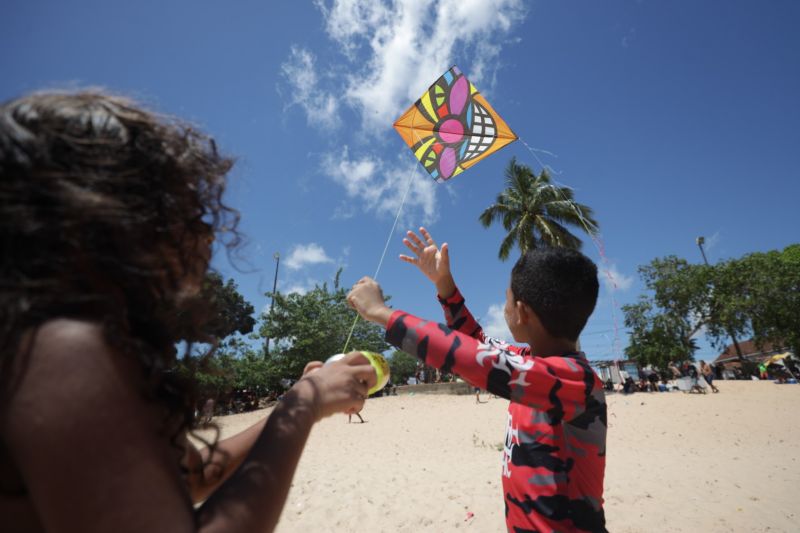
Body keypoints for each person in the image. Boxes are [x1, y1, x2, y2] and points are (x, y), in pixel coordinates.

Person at [0, 90, 378, 532]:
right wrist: (305, 402)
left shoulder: (60, 340)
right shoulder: (61, 349)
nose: (207, 230)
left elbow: (194, 476)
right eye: (182, 208)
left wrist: (295, 403)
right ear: (107, 214)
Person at [347, 227, 607, 532]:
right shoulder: (530, 363)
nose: (505, 307)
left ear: (521, 312)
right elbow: (476, 341)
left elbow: (471, 357)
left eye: (507, 299)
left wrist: (380, 312)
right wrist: (444, 284)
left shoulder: (577, 381)